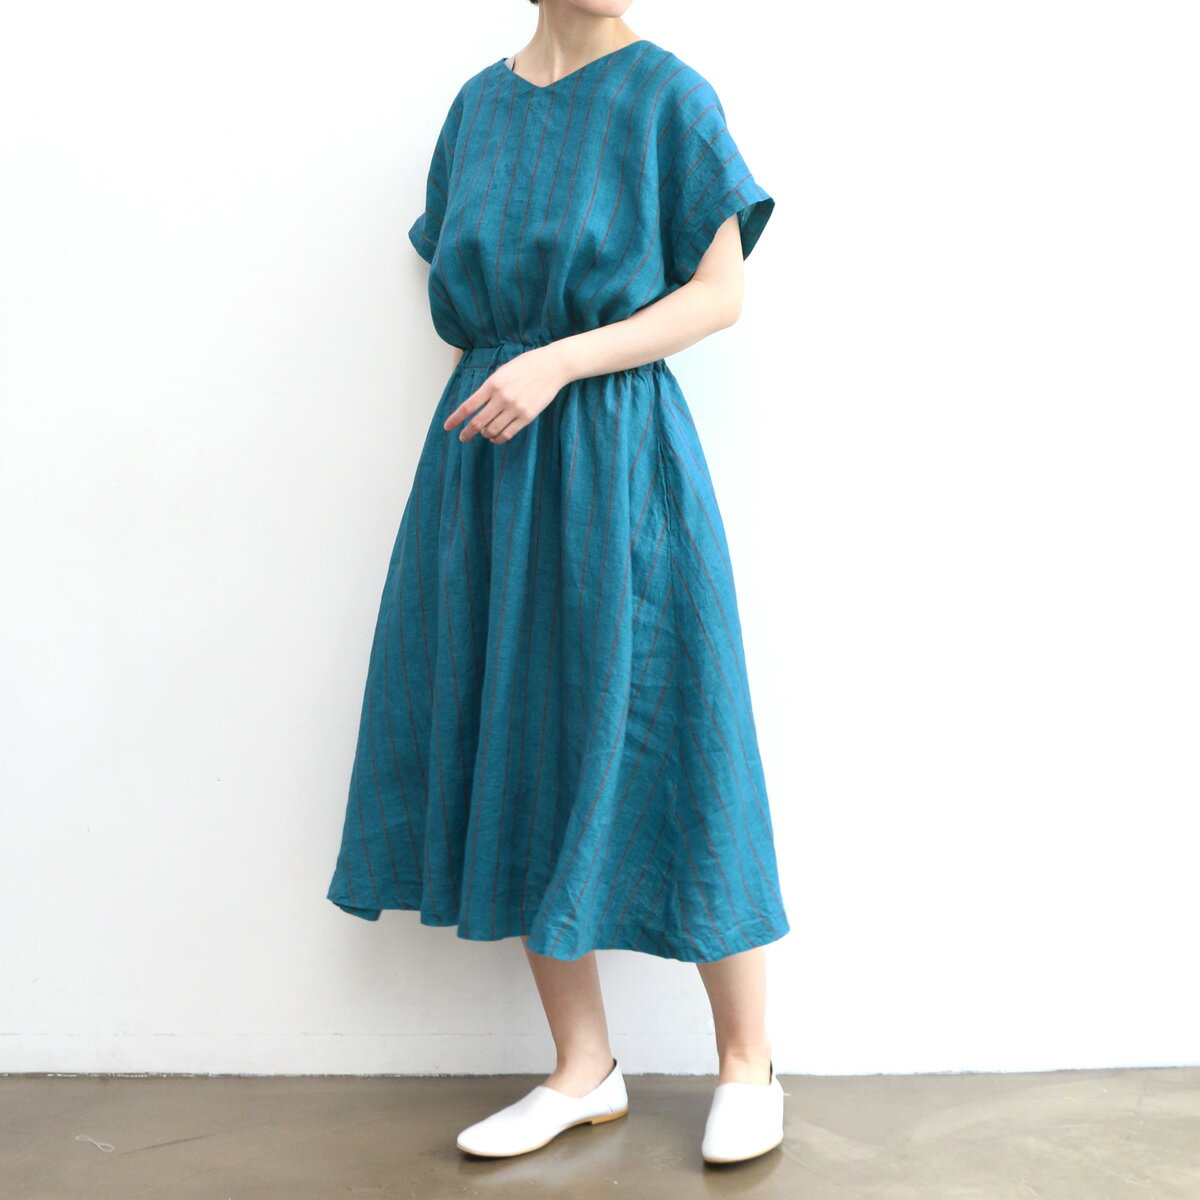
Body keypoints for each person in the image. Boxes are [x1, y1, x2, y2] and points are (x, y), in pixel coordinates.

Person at [326, 0, 790, 1165]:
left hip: (621, 456)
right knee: (520, 734)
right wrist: (513, 372)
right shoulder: (477, 108)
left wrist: (558, 361)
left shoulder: (670, 95)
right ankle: (584, 1068)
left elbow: (718, 293)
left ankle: (748, 1062)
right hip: (489, 464)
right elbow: (456, 283)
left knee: (680, 728)